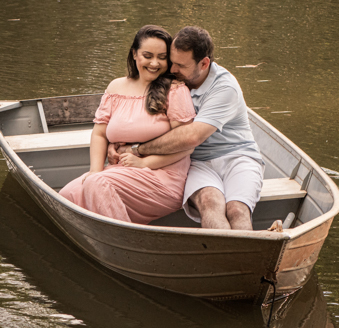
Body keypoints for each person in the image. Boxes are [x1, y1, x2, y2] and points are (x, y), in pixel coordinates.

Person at [109, 26, 264, 230]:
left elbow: (191, 137)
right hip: (196, 162)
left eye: (180, 65)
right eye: (171, 61)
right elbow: (135, 119)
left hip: (238, 157)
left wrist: (134, 149)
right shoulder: (170, 80)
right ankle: (226, 258)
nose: (172, 69)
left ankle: (244, 259)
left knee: (236, 209)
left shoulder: (225, 88)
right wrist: (114, 143)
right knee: (210, 203)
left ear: (204, 63)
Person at [59, 25, 196, 225]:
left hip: (164, 177)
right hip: (121, 171)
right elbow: (99, 134)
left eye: (162, 57)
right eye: (147, 55)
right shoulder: (116, 87)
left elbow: (187, 145)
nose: (155, 63)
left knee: (97, 184)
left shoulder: (175, 90)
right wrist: (95, 170)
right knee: (67, 195)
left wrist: (144, 163)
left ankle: (130, 247)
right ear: (134, 54)